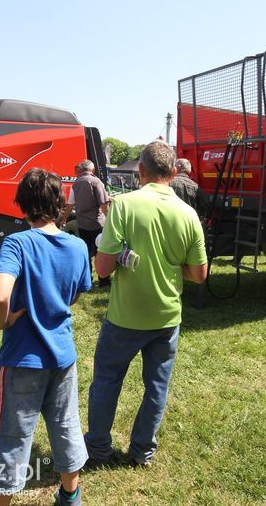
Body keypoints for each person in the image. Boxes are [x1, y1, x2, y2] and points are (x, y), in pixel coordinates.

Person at [85, 141, 208, 467]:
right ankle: (142, 451)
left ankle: (97, 449)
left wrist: (127, 257)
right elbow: (199, 274)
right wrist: (169, 266)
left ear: (141, 171)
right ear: (173, 172)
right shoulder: (188, 213)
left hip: (125, 317)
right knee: (157, 387)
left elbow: (103, 268)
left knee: (107, 381)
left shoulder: (124, 205)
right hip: (166, 318)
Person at [0, 168, 90, 506]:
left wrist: (3, 321)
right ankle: (70, 495)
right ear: (60, 204)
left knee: (12, 436)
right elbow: (74, 295)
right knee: (66, 424)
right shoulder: (77, 246)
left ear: (21, 205)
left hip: (22, 358)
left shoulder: (17, 243)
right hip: (63, 354)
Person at [59, 160, 111, 287]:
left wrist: (64, 218)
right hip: (97, 224)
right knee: (101, 252)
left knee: (86, 252)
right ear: (92, 170)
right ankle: (103, 281)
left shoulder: (75, 184)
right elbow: (103, 204)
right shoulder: (96, 182)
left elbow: (71, 204)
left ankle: (87, 280)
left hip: (82, 224)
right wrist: (110, 219)